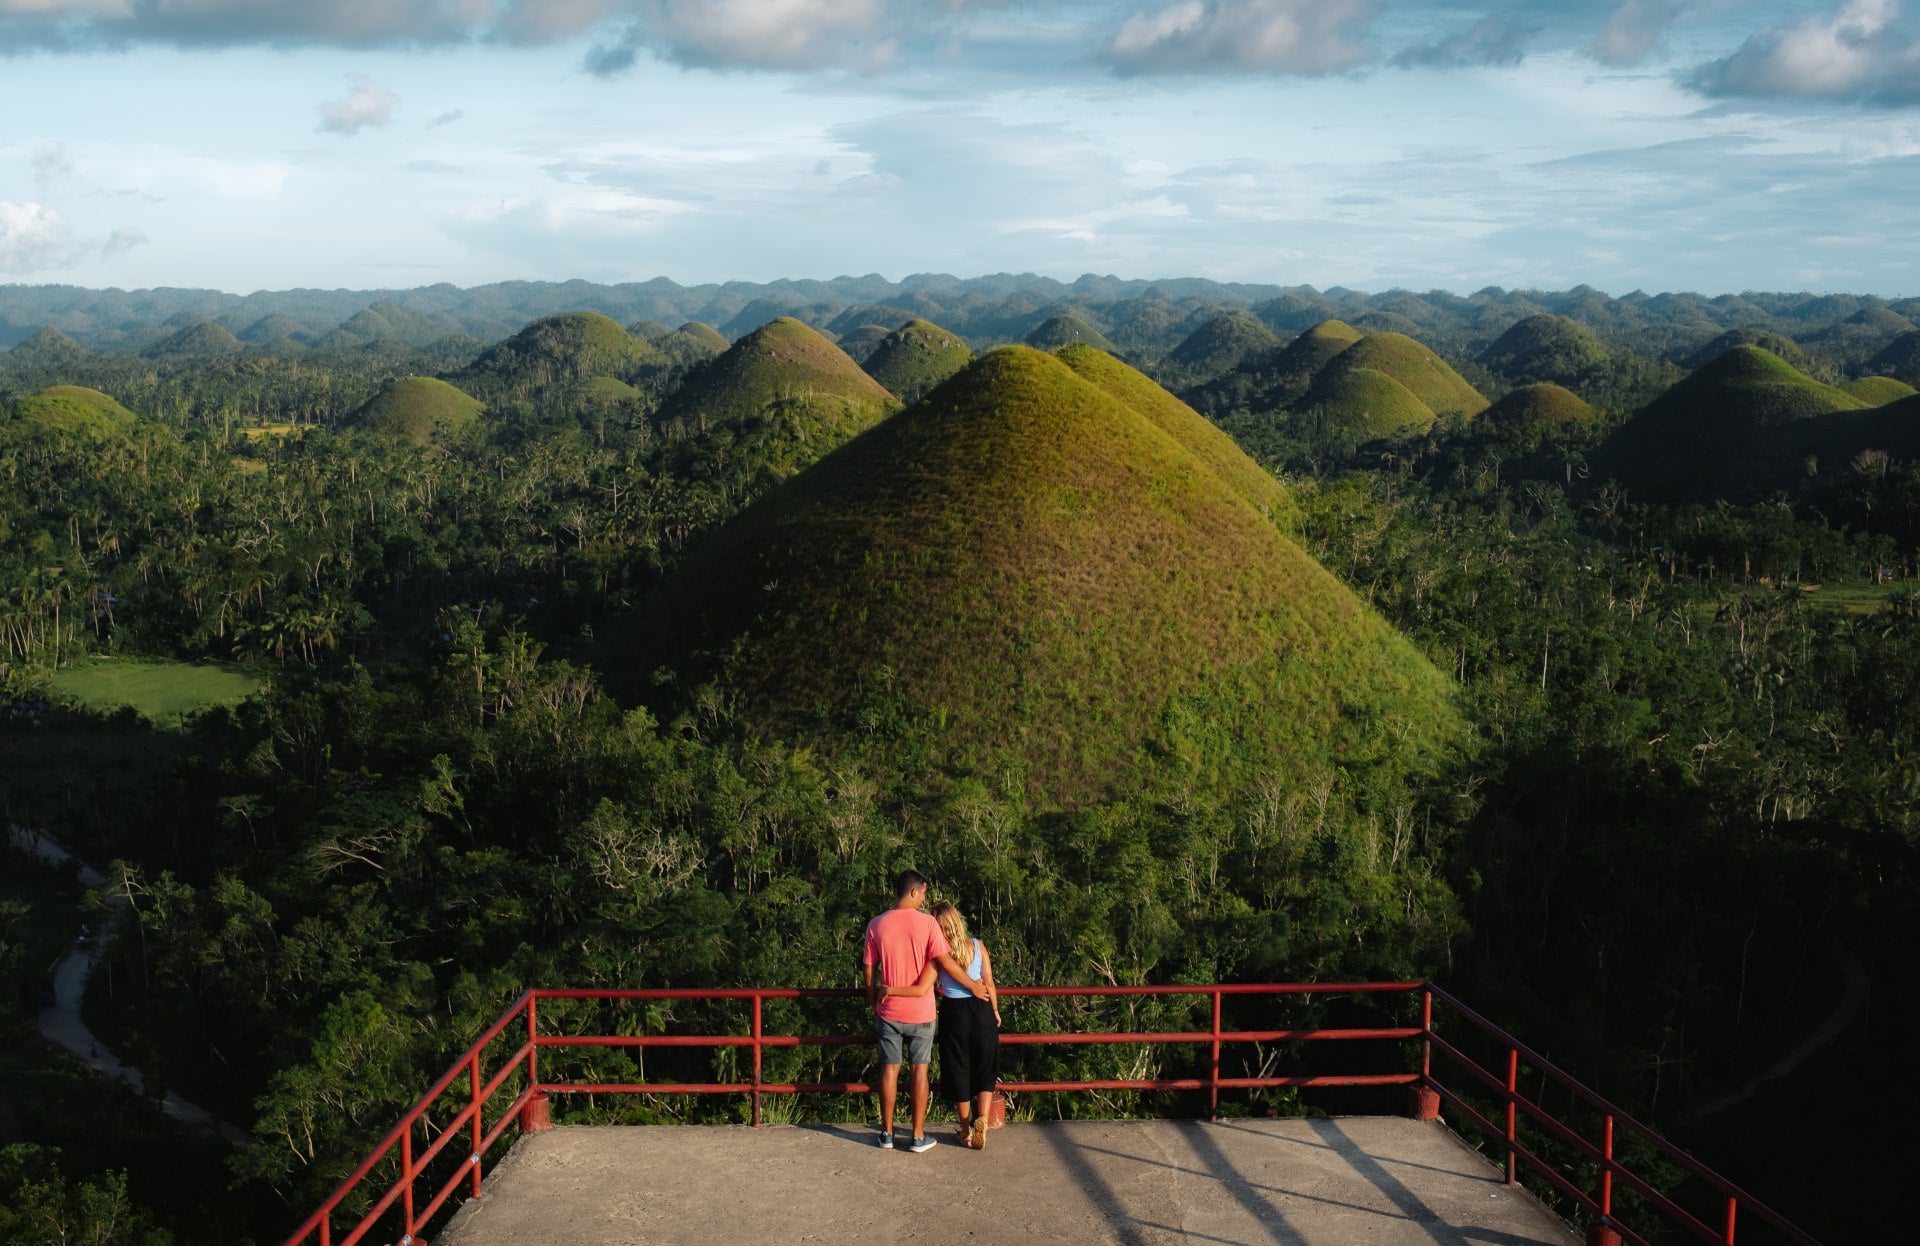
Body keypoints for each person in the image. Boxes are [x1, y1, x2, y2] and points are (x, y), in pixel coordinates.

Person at [863, 869, 985, 1152]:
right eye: (924, 893)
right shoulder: (928, 924)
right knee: (920, 1071)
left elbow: (869, 970)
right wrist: (973, 986)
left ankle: (887, 1134)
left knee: (890, 1070)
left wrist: (873, 1001)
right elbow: (945, 962)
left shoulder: (876, 924)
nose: (924, 899)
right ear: (914, 892)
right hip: (921, 1012)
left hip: (888, 1010)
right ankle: (917, 1136)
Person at [929, 899, 1000, 1150]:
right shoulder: (978, 946)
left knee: (958, 1067)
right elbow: (989, 982)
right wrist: (995, 1010)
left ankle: (966, 1130)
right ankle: (982, 1116)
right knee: (985, 1064)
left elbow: (927, 979)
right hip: (982, 1008)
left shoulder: (939, 951)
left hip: (954, 1012)